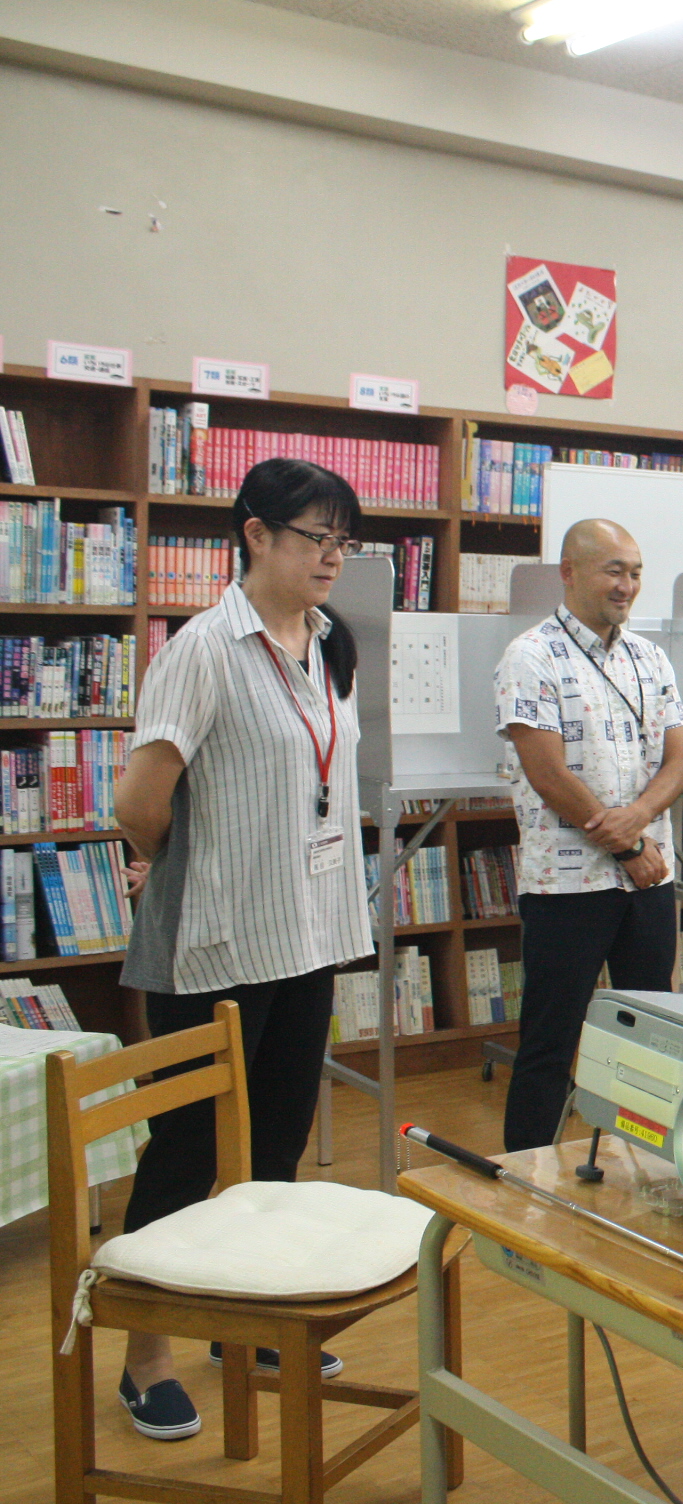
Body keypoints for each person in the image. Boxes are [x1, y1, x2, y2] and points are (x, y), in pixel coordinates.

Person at [112, 458, 376, 1441]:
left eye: (343, 541)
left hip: (307, 934)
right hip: (216, 942)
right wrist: (181, 860)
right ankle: (145, 1354)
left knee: (273, 1147)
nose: (332, 556)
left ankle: (247, 1321)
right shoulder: (204, 650)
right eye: (315, 537)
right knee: (186, 1153)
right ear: (255, 534)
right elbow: (140, 802)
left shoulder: (331, 642)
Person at [495, 518, 683, 1153]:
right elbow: (547, 773)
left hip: (649, 880)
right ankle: (523, 1182)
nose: (626, 585)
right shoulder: (531, 655)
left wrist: (639, 819)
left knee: (652, 1039)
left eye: (634, 572)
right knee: (550, 1045)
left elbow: (678, 763)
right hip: (567, 885)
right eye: (613, 571)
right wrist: (628, 842)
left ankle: (644, 1169)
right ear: (570, 572)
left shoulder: (651, 657)